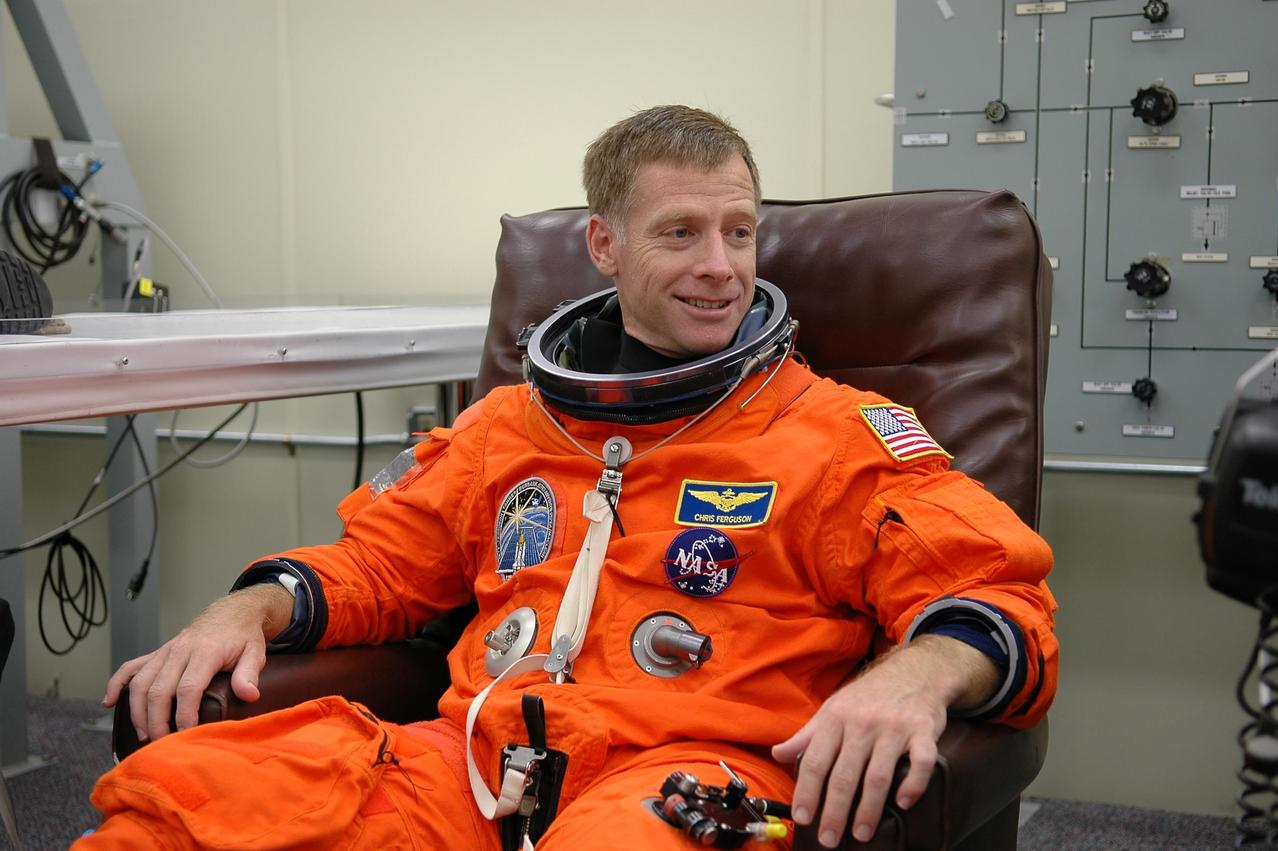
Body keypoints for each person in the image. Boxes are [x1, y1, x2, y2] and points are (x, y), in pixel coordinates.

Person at [81, 105, 1057, 850]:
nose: (720, 267)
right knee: (174, 808)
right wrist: (242, 610)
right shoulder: (507, 427)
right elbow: (377, 565)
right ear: (605, 244)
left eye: (738, 231)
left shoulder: (836, 435)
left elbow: (990, 591)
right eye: (680, 232)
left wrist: (918, 676)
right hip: (469, 763)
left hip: (684, 774)